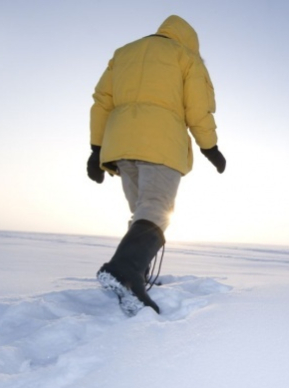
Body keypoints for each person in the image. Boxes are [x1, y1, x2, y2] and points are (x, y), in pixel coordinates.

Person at [87, 15, 226, 316]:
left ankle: (136, 276)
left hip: (121, 145)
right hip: (160, 142)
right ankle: (126, 270)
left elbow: (102, 103)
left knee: (142, 210)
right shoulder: (185, 57)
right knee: (156, 208)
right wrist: (210, 147)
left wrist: (96, 150)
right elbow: (198, 107)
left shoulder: (124, 53)